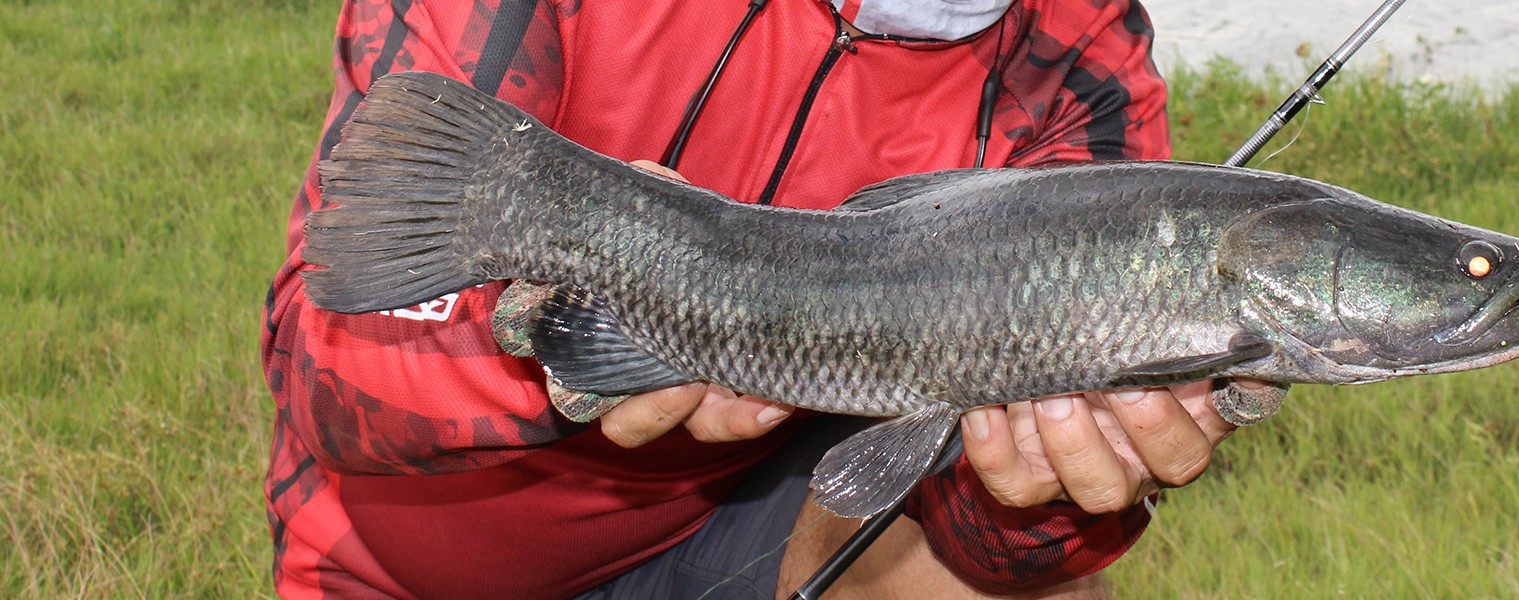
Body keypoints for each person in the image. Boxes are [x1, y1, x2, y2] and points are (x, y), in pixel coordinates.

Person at [262, 0, 1245, 597]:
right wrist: (576, 342)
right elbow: (329, 348)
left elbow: (998, 544)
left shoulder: (1079, 58)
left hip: (729, 529)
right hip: (397, 572)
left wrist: (1063, 490)